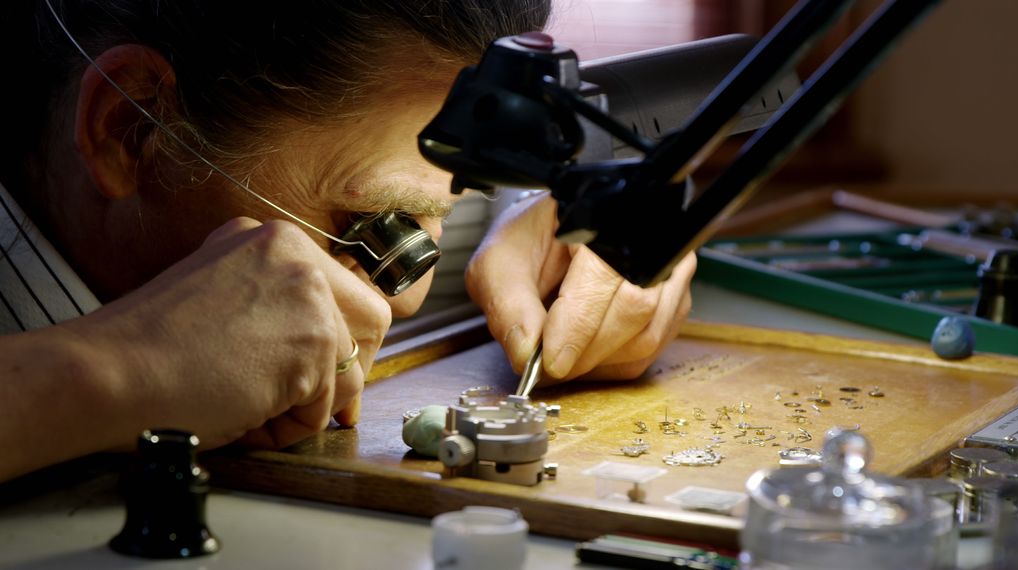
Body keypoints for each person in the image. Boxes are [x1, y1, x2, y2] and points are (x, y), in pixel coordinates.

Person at [0, 0, 696, 483]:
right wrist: (112, 372)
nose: (408, 298)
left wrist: (545, 205)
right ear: (133, 129)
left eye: (447, 209)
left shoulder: (365, 162)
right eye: (378, 231)